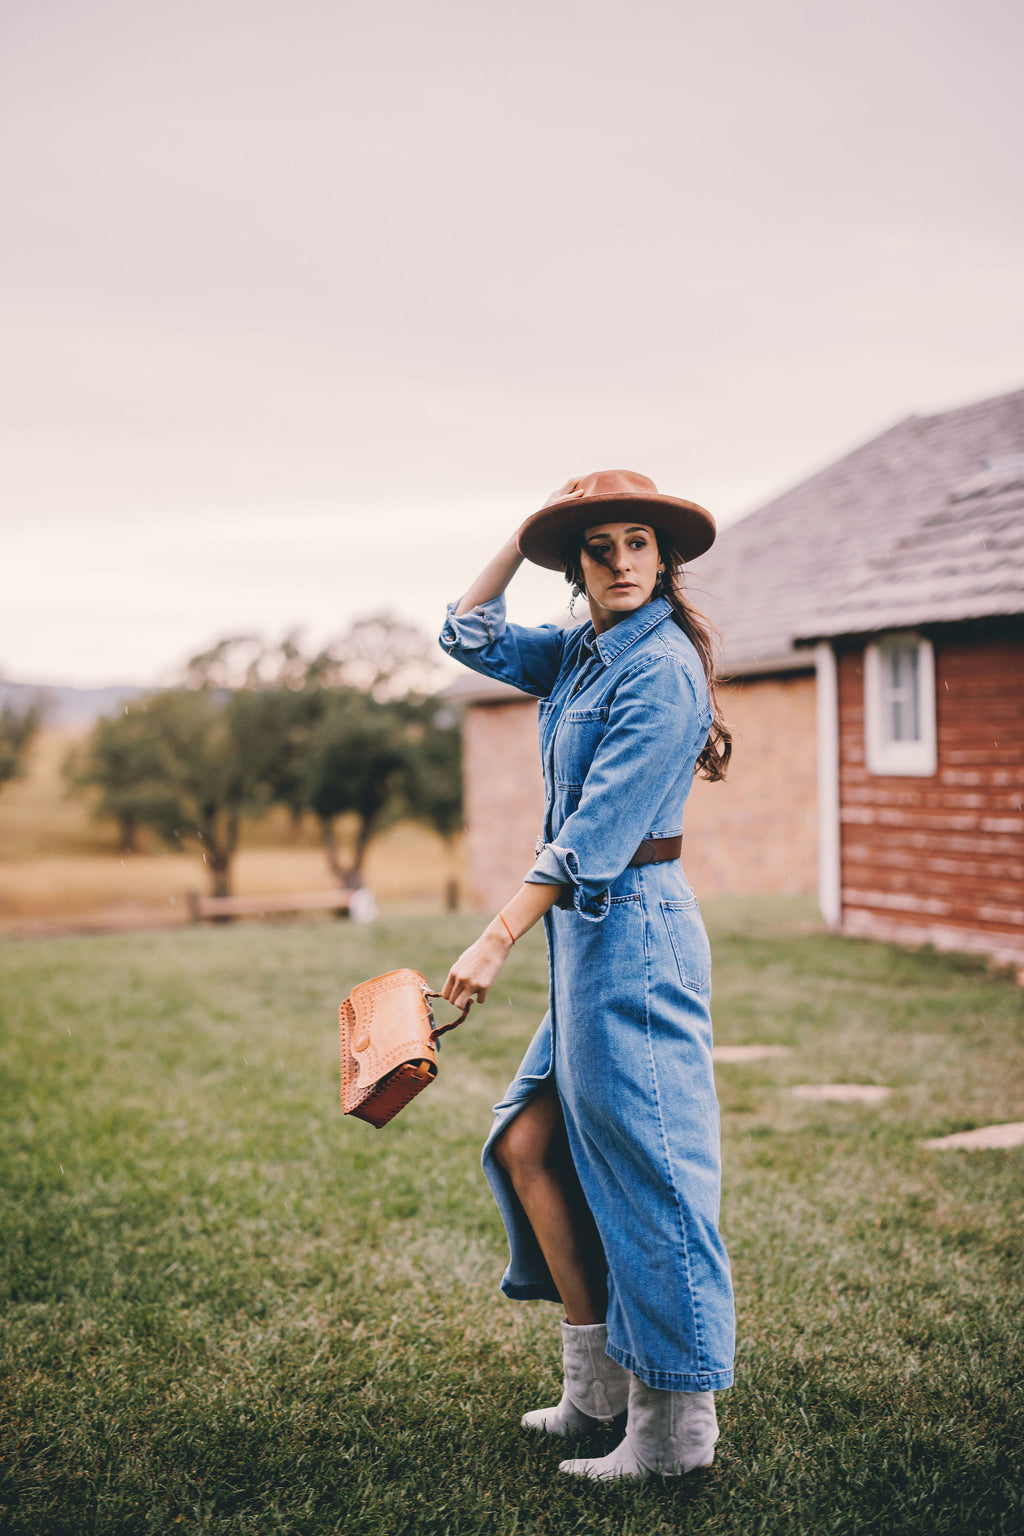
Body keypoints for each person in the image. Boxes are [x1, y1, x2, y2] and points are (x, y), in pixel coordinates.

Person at [439, 469, 735, 1481]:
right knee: (529, 1140)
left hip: (635, 930)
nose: (618, 562)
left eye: (636, 544)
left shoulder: (658, 672)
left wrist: (493, 939)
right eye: (596, 546)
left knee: (651, 1174)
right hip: (591, 939)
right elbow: (467, 635)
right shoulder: (580, 652)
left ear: (666, 559)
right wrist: (520, 540)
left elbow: (591, 839)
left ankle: (673, 1429)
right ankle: (597, 1386)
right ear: (574, 563)